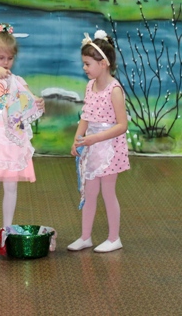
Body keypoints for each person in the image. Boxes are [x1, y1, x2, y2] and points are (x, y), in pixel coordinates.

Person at [0, 23, 44, 248]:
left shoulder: (18, 81)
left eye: (9, 58)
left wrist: (38, 102)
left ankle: (7, 231)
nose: (5, 62)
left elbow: (30, 98)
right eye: (0, 58)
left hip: (13, 137)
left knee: (11, 187)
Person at [68, 30, 130, 253]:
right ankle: (86, 237)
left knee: (108, 192)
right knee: (89, 192)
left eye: (87, 64)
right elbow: (86, 116)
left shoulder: (114, 90)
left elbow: (122, 125)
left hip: (110, 148)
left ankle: (114, 238)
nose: (84, 68)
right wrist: (78, 139)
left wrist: (95, 138)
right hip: (92, 147)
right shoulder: (90, 86)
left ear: (103, 64)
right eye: (84, 63)